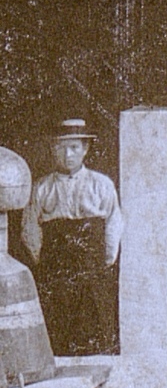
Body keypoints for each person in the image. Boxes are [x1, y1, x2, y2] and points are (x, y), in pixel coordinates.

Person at [22, 119, 123, 356]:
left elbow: (113, 223)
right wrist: (45, 259)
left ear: (85, 149)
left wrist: (105, 258)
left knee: (94, 323)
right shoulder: (42, 187)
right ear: (52, 149)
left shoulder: (101, 184)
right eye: (60, 147)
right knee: (59, 325)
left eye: (74, 147)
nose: (67, 154)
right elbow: (30, 230)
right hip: (56, 264)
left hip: (91, 264)